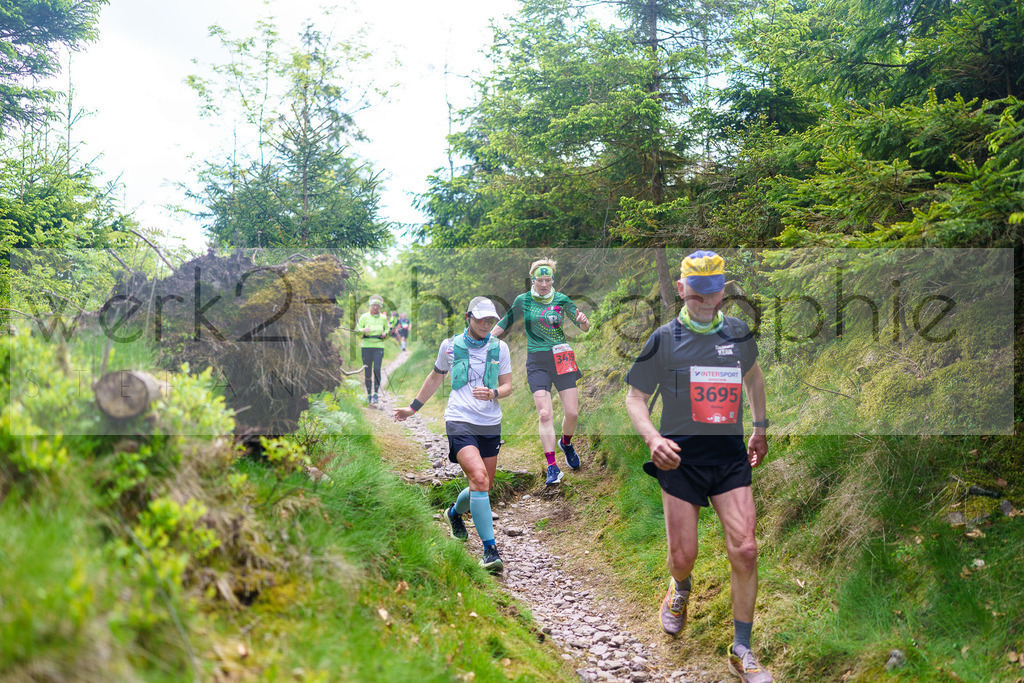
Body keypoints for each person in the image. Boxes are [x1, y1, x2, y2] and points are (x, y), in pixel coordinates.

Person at [624, 251, 772, 683]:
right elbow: (634, 398)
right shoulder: (663, 339)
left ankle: (741, 648)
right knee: (682, 557)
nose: (707, 301)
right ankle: (680, 587)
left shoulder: (738, 332)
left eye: (715, 292)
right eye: (699, 292)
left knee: (745, 548)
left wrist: (760, 427)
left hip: (728, 459)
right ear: (683, 289)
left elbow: (755, 378)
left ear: (723, 290)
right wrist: (653, 439)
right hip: (680, 460)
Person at [394, 297, 513, 572]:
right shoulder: (449, 346)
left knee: (482, 485)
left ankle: (453, 514)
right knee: (479, 478)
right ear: (467, 316)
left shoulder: (500, 347)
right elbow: (435, 377)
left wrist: (494, 392)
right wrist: (413, 408)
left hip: (490, 422)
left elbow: (508, 385)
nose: (485, 324)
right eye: (480, 318)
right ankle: (489, 551)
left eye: (490, 320)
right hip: (459, 419)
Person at [493, 258, 590, 486]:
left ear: (552, 280)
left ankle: (565, 443)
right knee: (545, 414)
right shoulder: (523, 300)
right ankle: (552, 467)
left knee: (572, 414)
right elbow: (506, 322)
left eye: (548, 280)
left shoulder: (562, 300)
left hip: (562, 358)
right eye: (540, 280)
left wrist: (584, 321)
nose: (544, 284)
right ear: (532, 280)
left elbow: (583, 326)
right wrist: (484, 338)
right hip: (537, 360)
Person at [357, 295, 389, 404]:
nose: (375, 307)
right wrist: (363, 330)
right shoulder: (364, 317)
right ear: (370, 305)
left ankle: (376, 394)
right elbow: (357, 329)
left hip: (378, 346)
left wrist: (385, 333)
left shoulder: (383, 318)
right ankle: (369, 395)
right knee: (367, 371)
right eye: (373, 305)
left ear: (380, 306)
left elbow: (388, 329)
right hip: (366, 346)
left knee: (376, 369)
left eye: (377, 305)